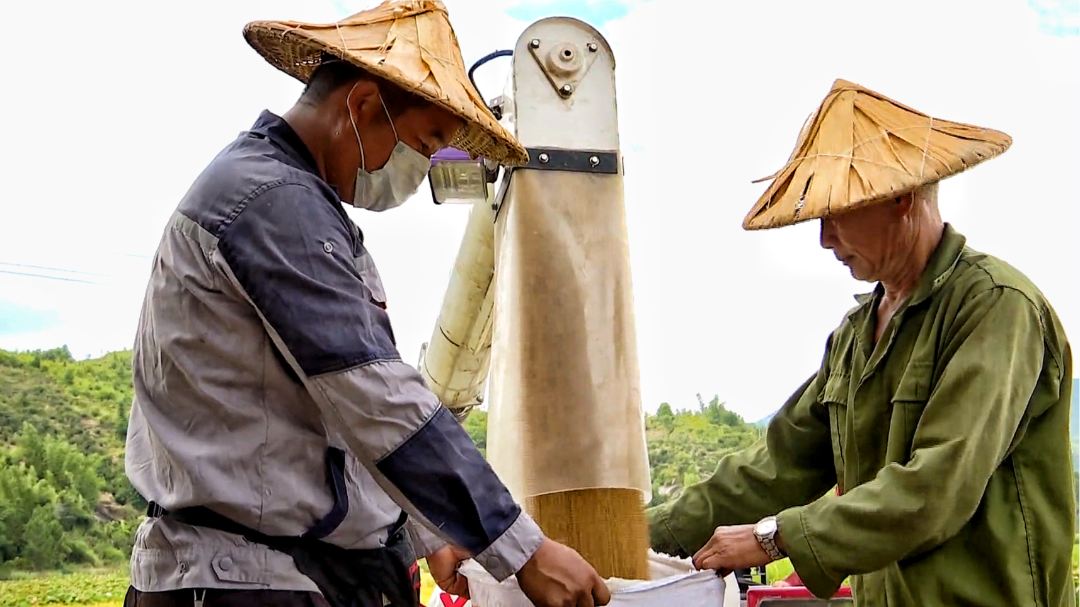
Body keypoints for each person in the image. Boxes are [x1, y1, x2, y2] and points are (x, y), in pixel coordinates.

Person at [122, 2, 612, 606]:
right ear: (360, 107)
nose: (426, 165)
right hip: (248, 581)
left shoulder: (297, 203)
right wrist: (520, 548)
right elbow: (374, 396)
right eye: (427, 141)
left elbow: (337, 418)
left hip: (289, 571)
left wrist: (433, 526)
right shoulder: (273, 203)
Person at [647, 78, 1076, 606]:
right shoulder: (855, 337)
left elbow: (936, 489)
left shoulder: (995, 306)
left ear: (900, 197)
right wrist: (639, 536)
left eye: (835, 212)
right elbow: (773, 469)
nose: (824, 238)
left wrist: (773, 537)